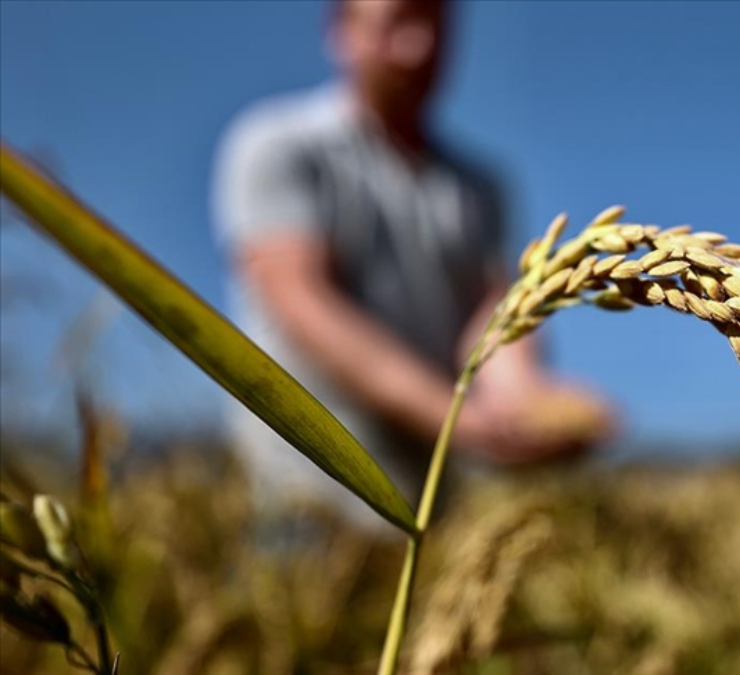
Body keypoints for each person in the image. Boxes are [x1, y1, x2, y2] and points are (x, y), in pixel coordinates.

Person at [211, 0, 612, 528]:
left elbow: (490, 319)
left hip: (424, 496)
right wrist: (459, 422)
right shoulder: (279, 145)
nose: (417, 47)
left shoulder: (478, 188)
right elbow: (300, 301)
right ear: (341, 32)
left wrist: (525, 405)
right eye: (394, 22)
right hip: (305, 490)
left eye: (434, 26)